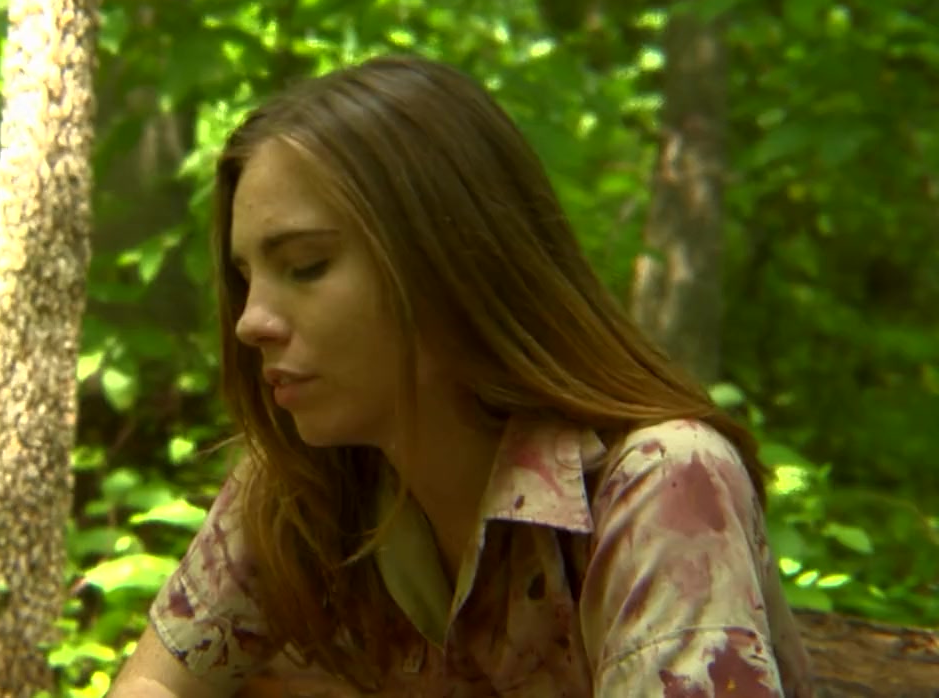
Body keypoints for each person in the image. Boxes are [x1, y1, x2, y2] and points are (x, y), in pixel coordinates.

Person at [107, 54, 814, 697]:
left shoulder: (661, 485)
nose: (250, 321)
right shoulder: (296, 494)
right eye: (245, 278)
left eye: (305, 266)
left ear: (449, 261)